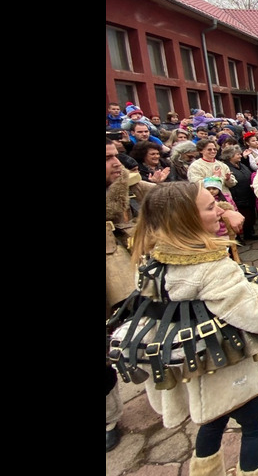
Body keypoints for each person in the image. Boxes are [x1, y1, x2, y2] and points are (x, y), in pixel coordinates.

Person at [127, 180, 258, 476]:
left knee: (212, 418)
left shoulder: (150, 259)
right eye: (211, 207)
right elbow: (257, 313)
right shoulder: (211, 269)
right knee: (257, 425)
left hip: (189, 366)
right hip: (221, 366)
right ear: (186, 219)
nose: (220, 212)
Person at [106, 137, 156, 452]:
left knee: (148, 329)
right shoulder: (121, 188)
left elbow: (167, 196)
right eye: (107, 158)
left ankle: (161, 389)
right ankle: (109, 418)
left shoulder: (130, 185)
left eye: (115, 155)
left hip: (133, 267)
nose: (115, 163)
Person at [222, 144, 258, 243]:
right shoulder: (226, 167)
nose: (240, 156)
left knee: (249, 216)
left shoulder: (241, 165)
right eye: (237, 154)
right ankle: (238, 238)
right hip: (238, 196)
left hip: (248, 194)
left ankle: (248, 233)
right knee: (240, 217)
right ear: (230, 156)